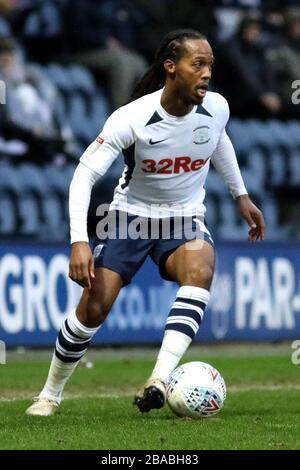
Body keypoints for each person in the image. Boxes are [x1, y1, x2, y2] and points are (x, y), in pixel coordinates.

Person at [25, 29, 265, 417]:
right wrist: (78, 241)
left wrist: (241, 195)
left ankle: (158, 379)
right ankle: (50, 393)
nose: (206, 73)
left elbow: (217, 140)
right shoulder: (133, 118)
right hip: (130, 218)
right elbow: (84, 174)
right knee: (95, 306)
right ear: (171, 67)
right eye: (197, 64)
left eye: (210, 66)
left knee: (200, 269)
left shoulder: (217, 107)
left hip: (184, 217)